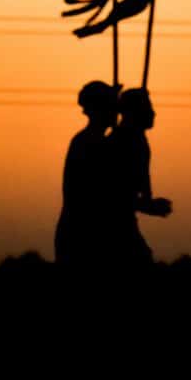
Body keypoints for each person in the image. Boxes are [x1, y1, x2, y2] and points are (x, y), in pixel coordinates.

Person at [107, 87, 173, 271]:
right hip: (111, 227)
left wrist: (148, 203)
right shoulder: (123, 142)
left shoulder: (137, 140)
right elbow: (112, 195)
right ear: (134, 112)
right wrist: (149, 206)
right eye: (148, 107)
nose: (154, 112)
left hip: (123, 222)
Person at [54, 80, 117, 270]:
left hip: (86, 233)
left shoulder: (96, 142)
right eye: (111, 105)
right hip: (81, 235)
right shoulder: (89, 143)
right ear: (99, 109)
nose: (116, 111)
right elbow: (99, 193)